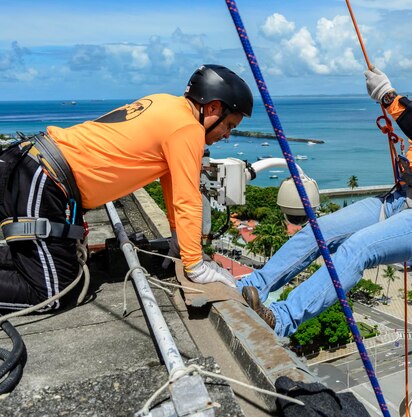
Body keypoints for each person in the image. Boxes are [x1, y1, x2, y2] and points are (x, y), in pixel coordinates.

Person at [238, 40, 412, 337]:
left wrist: (387, 95)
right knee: (318, 231)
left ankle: (282, 318)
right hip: (402, 200)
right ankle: (251, 286)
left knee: (358, 248)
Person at [0, 64, 252, 312]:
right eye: (229, 125)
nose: (228, 135)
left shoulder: (167, 104)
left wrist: (179, 241)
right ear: (214, 107)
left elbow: (173, 185)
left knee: (59, 265)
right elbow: (188, 199)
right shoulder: (188, 128)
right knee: (52, 292)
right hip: (43, 177)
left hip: (34, 164)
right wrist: (195, 265)